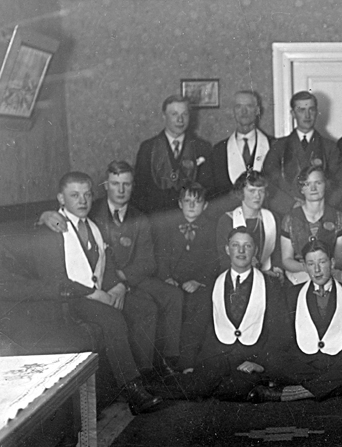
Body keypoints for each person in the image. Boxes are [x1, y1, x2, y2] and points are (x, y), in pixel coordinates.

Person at [31, 172, 162, 414]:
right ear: (61, 198)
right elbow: (55, 281)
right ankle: (132, 390)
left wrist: (119, 286)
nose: (83, 201)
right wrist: (94, 294)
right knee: (113, 319)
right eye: (74, 195)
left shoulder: (93, 226)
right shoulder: (52, 229)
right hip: (71, 300)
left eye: (87, 195)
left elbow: (105, 264)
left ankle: (143, 375)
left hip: (96, 293)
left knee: (144, 308)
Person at [38, 161, 184, 377]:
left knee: (162, 300)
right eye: (115, 184)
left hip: (123, 279)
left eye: (127, 184)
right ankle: (134, 380)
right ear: (106, 185)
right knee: (127, 312)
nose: (121, 190)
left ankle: (157, 368)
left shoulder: (138, 217)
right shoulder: (89, 212)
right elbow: (58, 220)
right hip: (90, 287)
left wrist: (121, 283)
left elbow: (147, 261)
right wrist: (43, 216)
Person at [151, 228, 286, 401]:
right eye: (235, 245)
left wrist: (259, 363)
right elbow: (195, 327)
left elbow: (279, 331)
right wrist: (188, 365)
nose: (241, 251)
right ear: (227, 249)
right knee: (200, 384)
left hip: (250, 358)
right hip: (216, 358)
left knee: (234, 388)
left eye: (247, 246)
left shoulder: (270, 285)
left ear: (256, 250)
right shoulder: (213, 282)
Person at [248, 240, 342, 403]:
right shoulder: (291, 294)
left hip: (337, 360)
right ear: (305, 267)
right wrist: (261, 361)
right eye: (311, 264)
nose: (317, 269)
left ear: (332, 263)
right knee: (273, 361)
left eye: (322, 262)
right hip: (303, 361)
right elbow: (279, 336)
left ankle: (290, 393)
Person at [153, 182, 217, 371]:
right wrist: (166, 277)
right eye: (187, 201)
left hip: (197, 283)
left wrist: (199, 281)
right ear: (180, 203)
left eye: (197, 202)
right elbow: (160, 255)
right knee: (171, 304)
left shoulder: (211, 227)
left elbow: (213, 260)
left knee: (200, 306)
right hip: (172, 282)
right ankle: (170, 358)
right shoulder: (168, 226)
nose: (191, 205)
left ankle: (189, 360)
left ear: (205, 205)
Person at [263, 91, 342, 216]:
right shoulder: (279, 147)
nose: (307, 115)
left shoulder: (329, 147)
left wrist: (320, 208)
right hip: (286, 214)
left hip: (321, 214)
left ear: (316, 112)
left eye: (311, 109)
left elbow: (339, 186)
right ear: (293, 113)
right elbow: (268, 183)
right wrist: (291, 205)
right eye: (301, 110)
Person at [133, 95, 214, 215]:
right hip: (157, 218)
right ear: (164, 116)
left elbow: (208, 189)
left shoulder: (202, 148)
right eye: (174, 114)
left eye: (184, 114)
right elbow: (140, 191)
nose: (180, 120)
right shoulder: (148, 148)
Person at [280, 164, 342, 286]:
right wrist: (310, 268)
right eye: (307, 184)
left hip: (330, 273)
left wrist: (322, 269)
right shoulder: (290, 218)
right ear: (302, 189)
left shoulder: (339, 217)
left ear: (326, 185)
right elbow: (286, 260)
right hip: (299, 274)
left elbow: (340, 260)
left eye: (318, 183)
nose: (313, 188)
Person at [208, 91, 272, 209]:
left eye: (249, 106)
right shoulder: (219, 151)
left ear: (257, 110)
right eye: (238, 106)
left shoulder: (274, 146)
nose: (244, 111)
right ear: (233, 111)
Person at [215, 171, 282, 277]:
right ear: (241, 192)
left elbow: (277, 254)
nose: (257, 196)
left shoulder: (273, 218)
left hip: (268, 274)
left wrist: (277, 271)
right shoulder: (227, 221)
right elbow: (224, 260)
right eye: (252, 191)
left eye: (261, 191)